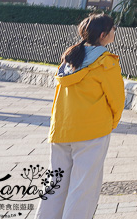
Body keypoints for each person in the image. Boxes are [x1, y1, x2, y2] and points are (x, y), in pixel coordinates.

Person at [36, 14, 124, 219]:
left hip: (61, 130)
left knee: (55, 185)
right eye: (113, 28)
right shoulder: (105, 62)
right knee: (83, 188)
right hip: (92, 132)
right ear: (103, 35)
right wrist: (112, 122)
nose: (114, 31)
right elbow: (117, 99)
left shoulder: (70, 59)